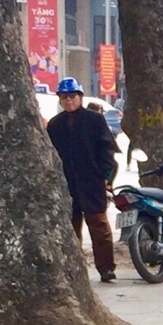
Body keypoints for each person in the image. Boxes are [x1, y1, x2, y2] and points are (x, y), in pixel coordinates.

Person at [46, 77, 120, 282]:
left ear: (79, 96)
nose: (68, 100)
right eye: (64, 97)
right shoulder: (55, 125)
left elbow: (107, 150)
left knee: (99, 226)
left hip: (91, 182)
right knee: (71, 228)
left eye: (72, 96)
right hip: (67, 185)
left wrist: (104, 177)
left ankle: (106, 268)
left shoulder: (94, 120)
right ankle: (75, 268)